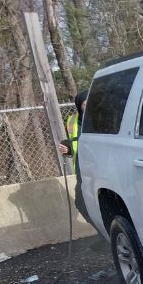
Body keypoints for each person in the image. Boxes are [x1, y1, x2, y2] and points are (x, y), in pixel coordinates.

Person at [58, 90, 91, 223]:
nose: (88, 107)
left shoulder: (103, 118)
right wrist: (67, 150)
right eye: (85, 104)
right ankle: (103, 234)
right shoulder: (71, 121)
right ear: (79, 106)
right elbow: (72, 144)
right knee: (81, 203)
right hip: (82, 170)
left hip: (101, 169)